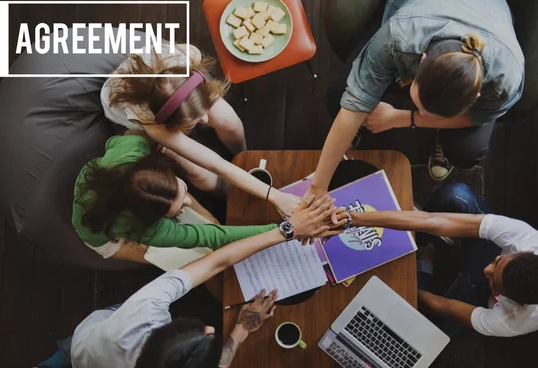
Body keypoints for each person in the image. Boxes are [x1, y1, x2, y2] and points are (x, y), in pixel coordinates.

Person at [36, 194, 349, 368]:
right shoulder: (146, 310)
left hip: (83, 347)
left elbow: (216, 259)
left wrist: (287, 230)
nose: (213, 329)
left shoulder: (142, 310)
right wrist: (240, 330)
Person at [317, 0, 524, 191]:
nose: (424, 114)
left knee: (467, 152)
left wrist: (403, 118)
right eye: (420, 105)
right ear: (421, 61)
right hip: (420, 6)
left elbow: (478, 116)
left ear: (475, 96)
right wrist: (317, 188)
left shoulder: (504, 81)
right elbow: (354, 103)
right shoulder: (400, 35)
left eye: (436, 116)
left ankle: (443, 135)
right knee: (338, 97)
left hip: (489, 13)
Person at [101, 41, 301, 217]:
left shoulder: (187, 56)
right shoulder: (150, 122)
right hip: (140, 122)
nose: (206, 119)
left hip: (178, 84)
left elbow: (203, 101)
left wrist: (241, 159)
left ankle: (243, 154)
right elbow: (216, 164)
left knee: (228, 120)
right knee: (198, 172)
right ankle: (228, 192)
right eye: (193, 122)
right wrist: (274, 196)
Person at [340, 182, 538, 337]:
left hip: (481, 298)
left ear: (516, 303)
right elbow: (434, 220)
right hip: (494, 249)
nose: (486, 269)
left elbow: (443, 306)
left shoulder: (512, 320)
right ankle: (424, 242)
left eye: (494, 281)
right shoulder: (526, 240)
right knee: (455, 194)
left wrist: (402, 287)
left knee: (424, 324)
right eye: (496, 262)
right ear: (522, 253)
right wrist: (353, 219)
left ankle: (425, 265)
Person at [73, 131, 283, 262]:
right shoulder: (148, 231)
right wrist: (281, 229)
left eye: (181, 191)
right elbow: (215, 237)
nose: (189, 201)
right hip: (100, 234)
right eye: (179, 206)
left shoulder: (130, 150)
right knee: (195, 255)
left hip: (127, 199)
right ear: (155, 220)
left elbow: (130, 135)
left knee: (211, 221)